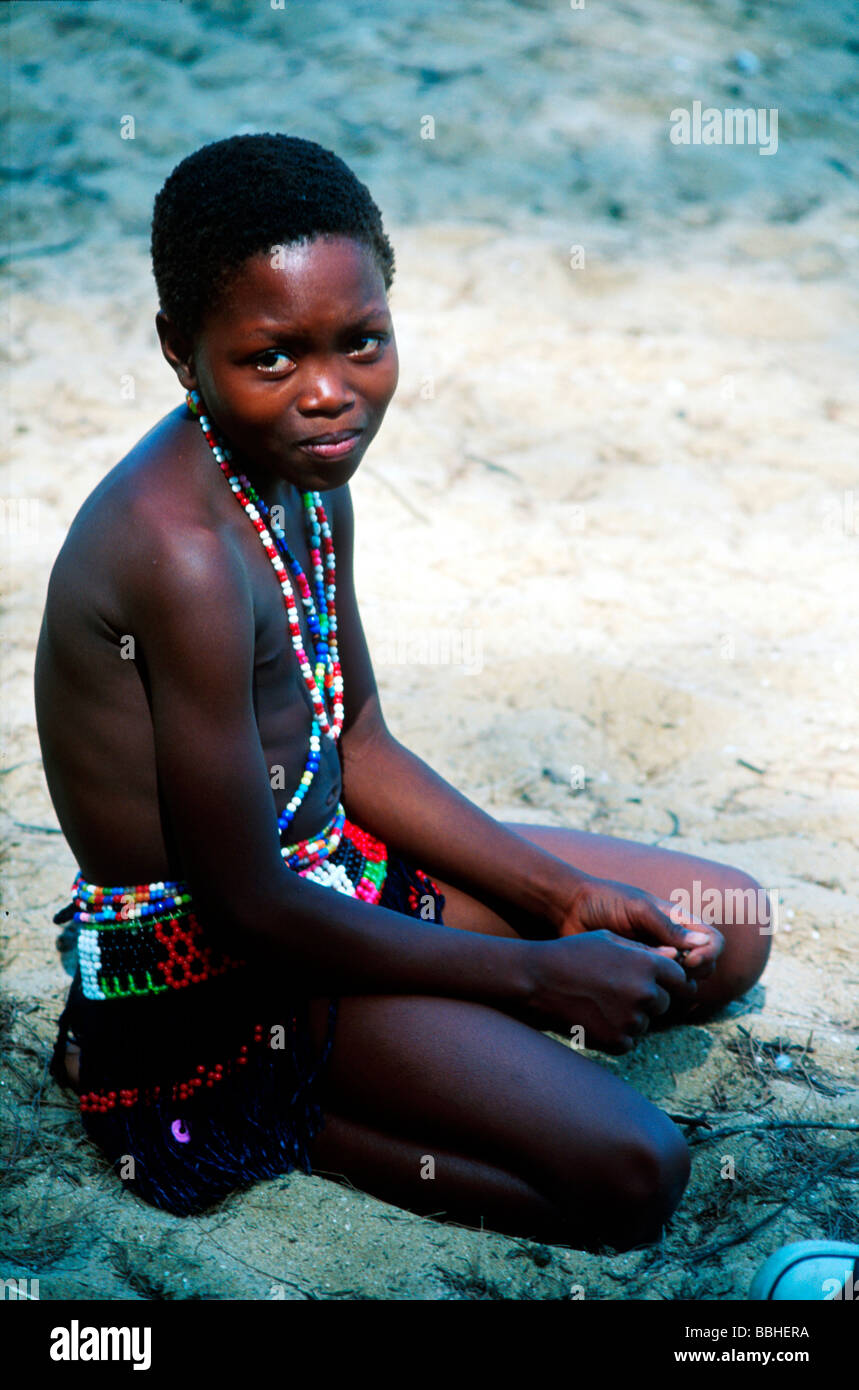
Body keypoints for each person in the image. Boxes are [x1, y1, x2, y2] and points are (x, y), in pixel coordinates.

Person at [35, 133, 771, 1248]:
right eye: (272, 357)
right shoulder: (179, 553)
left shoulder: (301, 468)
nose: (330, 394)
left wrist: (560, 896)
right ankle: (223, 1103)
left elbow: (358, 742)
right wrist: (532, 977)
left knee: (732, 928)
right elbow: (245, 904)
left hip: (329, 878)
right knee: (631, 1175)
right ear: (181, 353)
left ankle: (414, 1028)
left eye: (361, 343)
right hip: (214, 966)